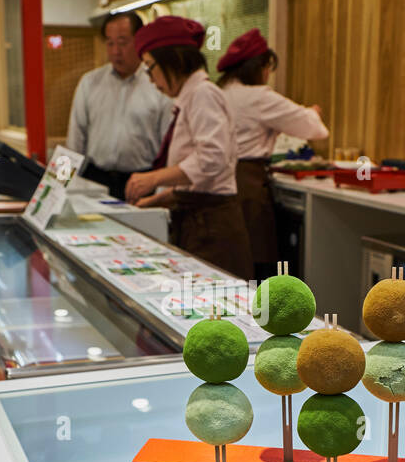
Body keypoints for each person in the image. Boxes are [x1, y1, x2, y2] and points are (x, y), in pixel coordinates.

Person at [124, 16, 254, 280]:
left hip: (212, 227)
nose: (150, 79)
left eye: (150, 68)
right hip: (197, 218)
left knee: (217, 312)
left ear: (174, 59)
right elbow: (196, 180)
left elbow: (211, 159)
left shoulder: (203, 94)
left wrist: (153, 179)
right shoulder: (191, 96)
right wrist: (155, 200)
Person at [217, 29, 329, 281]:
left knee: (229, 260)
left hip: (217, 181)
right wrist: (311, 112)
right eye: (268, 67)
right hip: (247, 184)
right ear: (259, 67)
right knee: (255, 259)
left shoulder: (220, 92)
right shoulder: (259, 97)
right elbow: (315, 129)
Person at [66, 11, 174, 200]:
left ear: (139, 41)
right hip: (95, 180)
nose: (116, 51)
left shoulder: (158, 84)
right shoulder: (90, 82)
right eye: (110, 43)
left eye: (123, 42)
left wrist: (160, 195)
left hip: (141, 182)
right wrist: (59, 187)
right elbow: (74, 142)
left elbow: (169, 147)